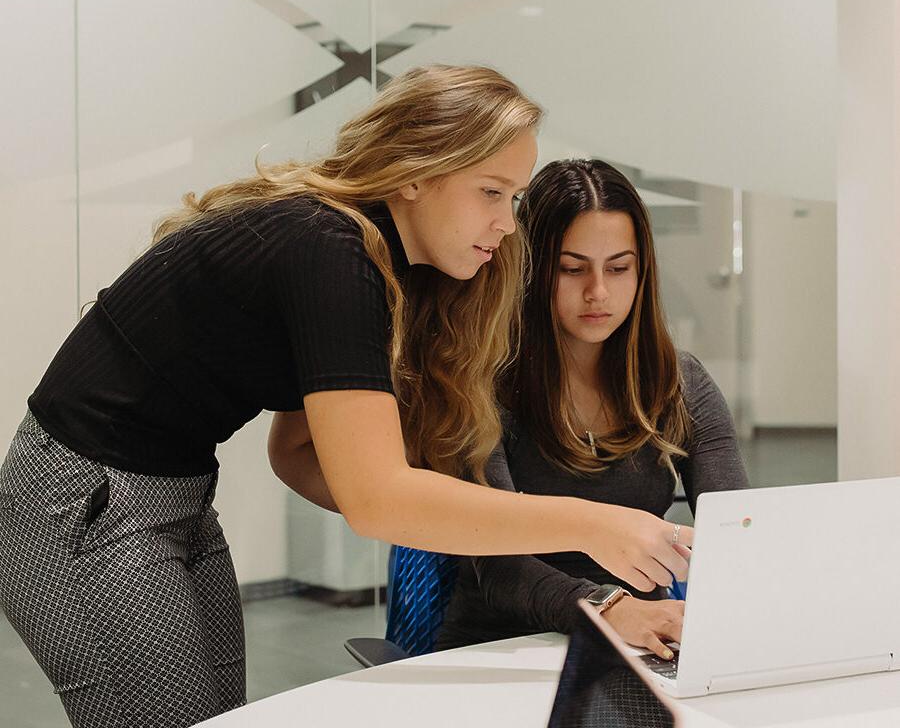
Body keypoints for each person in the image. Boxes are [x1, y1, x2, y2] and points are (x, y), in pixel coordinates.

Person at [0, 67, 692, 728]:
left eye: (513, 199)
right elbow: (376, 498)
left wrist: (450, 519)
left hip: (171, 493)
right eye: (491, 192)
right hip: (79, 498)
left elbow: (300, 454)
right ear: (419, 172)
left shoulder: (382, 264)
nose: (509, 225)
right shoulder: (329, 250)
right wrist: (589, 524)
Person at [437, 159, 749, 659]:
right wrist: (608, 607)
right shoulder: (482, 382)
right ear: (531, 269)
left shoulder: (680, 384)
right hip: (502, 651)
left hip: (640, 647)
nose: (598, 292)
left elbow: (737, 533)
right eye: (572, 268)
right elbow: (499, 566)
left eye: (619, 267)